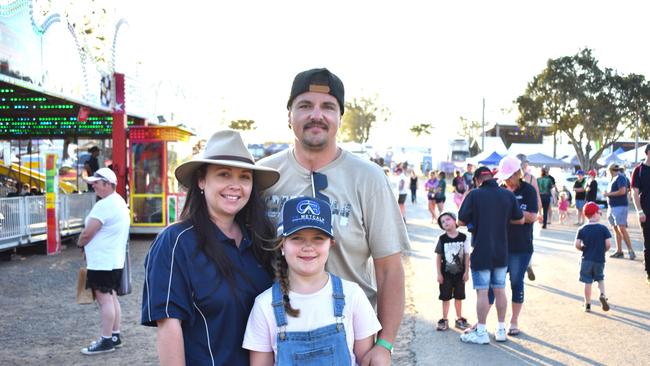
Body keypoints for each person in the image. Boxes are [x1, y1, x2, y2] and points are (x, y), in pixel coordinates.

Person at [258, 68, 408, 364]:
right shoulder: (264, 177)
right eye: (305, 106)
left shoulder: (369, 178)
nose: (317, 115)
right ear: (289, 115)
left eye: (328, 106)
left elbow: (390, 270)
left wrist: (385, 344)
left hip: (352, 342)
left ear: (340, 116)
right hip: (278, 338)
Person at [141, 130, 281, 365]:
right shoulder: (175, 242)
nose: (235, 185)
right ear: (202, 180)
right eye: (224, 174)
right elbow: (168, 325)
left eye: (245, 177)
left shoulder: (259, 239)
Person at [243, 196, 381, 365]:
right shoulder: (265, 306)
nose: (308, 247)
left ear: (330, 244)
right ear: (282, 245)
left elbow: (365, 359)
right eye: (296, 238)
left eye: (318, 238)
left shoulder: (353, 296)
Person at [457, 166, 524, 344]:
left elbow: (461, 220)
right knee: (500, 289)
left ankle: (481, 332)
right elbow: (520, 218)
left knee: (482, 292)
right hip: (502, 250)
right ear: (492, 177)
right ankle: (501, 330)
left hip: (481, 250)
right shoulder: (507, 194)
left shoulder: (474, 194)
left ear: (478, 179)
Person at [77, 167, 130, 355]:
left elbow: (88, 232)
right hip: (114, 260)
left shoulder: (104, 205)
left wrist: (80, 244)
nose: (94, 187)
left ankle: (106, 340)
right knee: (112, 298)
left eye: (96, 184)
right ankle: (114, 336)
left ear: (108, 184)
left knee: (104, 301)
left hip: (102, 262)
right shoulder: (119, 201)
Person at [434, 212, 470, 332]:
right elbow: (438, 257)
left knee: (459, 297)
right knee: (445, 297)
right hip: (446, 274)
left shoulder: (463, 238)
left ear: (455, 220)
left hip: (460, 274)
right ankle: (444, 319)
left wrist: (466, 272)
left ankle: (459, 318)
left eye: (448, 219)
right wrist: (439, 273)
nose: (446, 223)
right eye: (443, 222)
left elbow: (466, 256)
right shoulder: (442, 239)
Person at [575, 202, 612, 312]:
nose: (600, 214)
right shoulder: (603, 229)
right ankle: (602, 295)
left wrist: (583, 249)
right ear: (595, 214)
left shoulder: (582, 229)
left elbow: (577, 244)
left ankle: (587, 304)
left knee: (588, 282)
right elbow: (608, 245)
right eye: (599, 212)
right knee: (600, 278)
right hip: (599, 259)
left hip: (586, 259)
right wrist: (603, 251)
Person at [604, 163, 634, 260]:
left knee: (621, 228)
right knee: (615, 228)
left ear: (610, 170)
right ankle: (619, 251)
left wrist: (608, 194)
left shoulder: (620, 178)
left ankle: (630, 250)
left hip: (620, 206)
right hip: (612, 206)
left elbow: (622, 191)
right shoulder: (612, 179)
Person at [631, 144, 650, 285]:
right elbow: (634, 192)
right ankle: (649, 271)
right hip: (646, 212)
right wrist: (639, 210)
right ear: (648, 152)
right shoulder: (639, 170)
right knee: (648, 242)